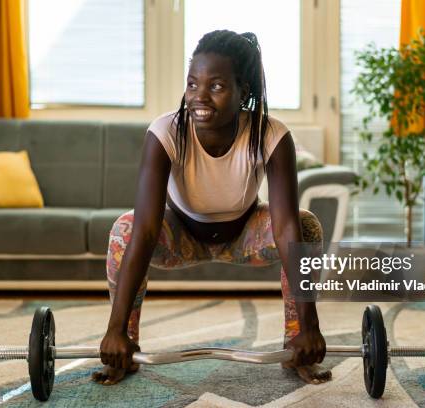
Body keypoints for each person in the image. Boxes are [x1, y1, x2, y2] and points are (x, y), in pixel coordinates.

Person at [92, 30, 332, 386]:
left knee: (305, 225)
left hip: (243, 237)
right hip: (182, 237)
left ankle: (296, 346)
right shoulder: (165, 132)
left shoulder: (272, 134)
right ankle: (124, 347)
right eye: (193, 84)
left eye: (216, 86)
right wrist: (114, 330)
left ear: (243, 93)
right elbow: (145, 228)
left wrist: (311, 328)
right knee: (124, 230)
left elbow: (285, 229)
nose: (199, 96)